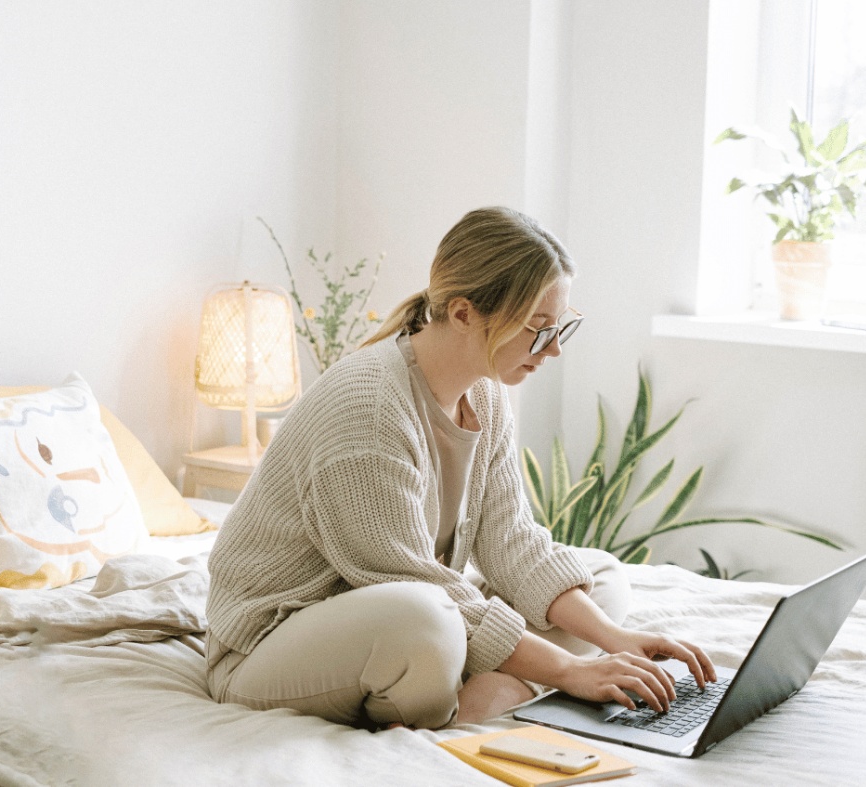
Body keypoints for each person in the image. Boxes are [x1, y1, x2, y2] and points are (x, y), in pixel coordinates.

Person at [205, 207, 716, 730]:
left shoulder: (485, 394)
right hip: (270, 645)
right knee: (428, 623)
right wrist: (569, 669)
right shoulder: (369, 411)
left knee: (600, 576)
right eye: (539, 329)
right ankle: (494, 697)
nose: (556, 348)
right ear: (464, 313)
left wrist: (616, 640)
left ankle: (495, 694)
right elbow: (411, 584)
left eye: (562, 326)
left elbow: (511, 539)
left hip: (406, 609)